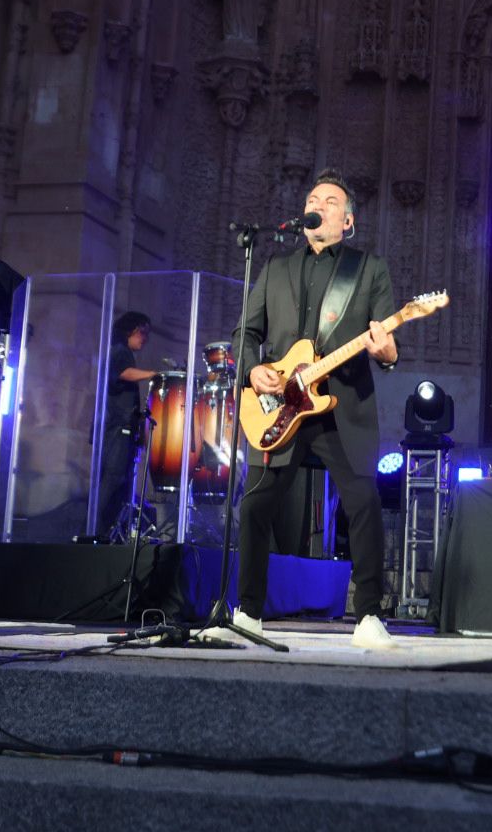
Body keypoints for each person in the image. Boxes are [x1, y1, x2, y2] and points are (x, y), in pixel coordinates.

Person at [211, 169, 400, 649]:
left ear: (348, 221)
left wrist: (386, 351)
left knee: (363, 503)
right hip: (280, 406)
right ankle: (248, 613)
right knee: (255, 505)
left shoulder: (368, 268)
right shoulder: (275, 267)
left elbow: (387, 342)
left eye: (331, 201)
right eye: (314, 198)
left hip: (341, 403)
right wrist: (253, 369)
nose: (319, 204)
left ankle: (369, 614)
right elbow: (245, 333)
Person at [99, 310, 158, 536]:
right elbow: (123, 372)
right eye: (142, 333)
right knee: (112, 479)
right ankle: (93, 530)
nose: (145, 339)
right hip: (117, 428)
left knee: (120, 482)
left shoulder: (122, 351)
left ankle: (106, 532)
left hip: (122, 427)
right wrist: (152, 374)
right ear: (130, 330)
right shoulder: (119, 351)